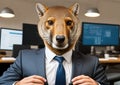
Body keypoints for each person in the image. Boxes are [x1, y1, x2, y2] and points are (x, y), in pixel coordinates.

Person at [0, 3, 109, 85]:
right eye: (50, 22)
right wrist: (17, 84)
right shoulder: (24, 58)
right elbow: (3, 82)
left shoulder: (92, 62)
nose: (60, 34)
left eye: (69, 23)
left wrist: (97, 84)